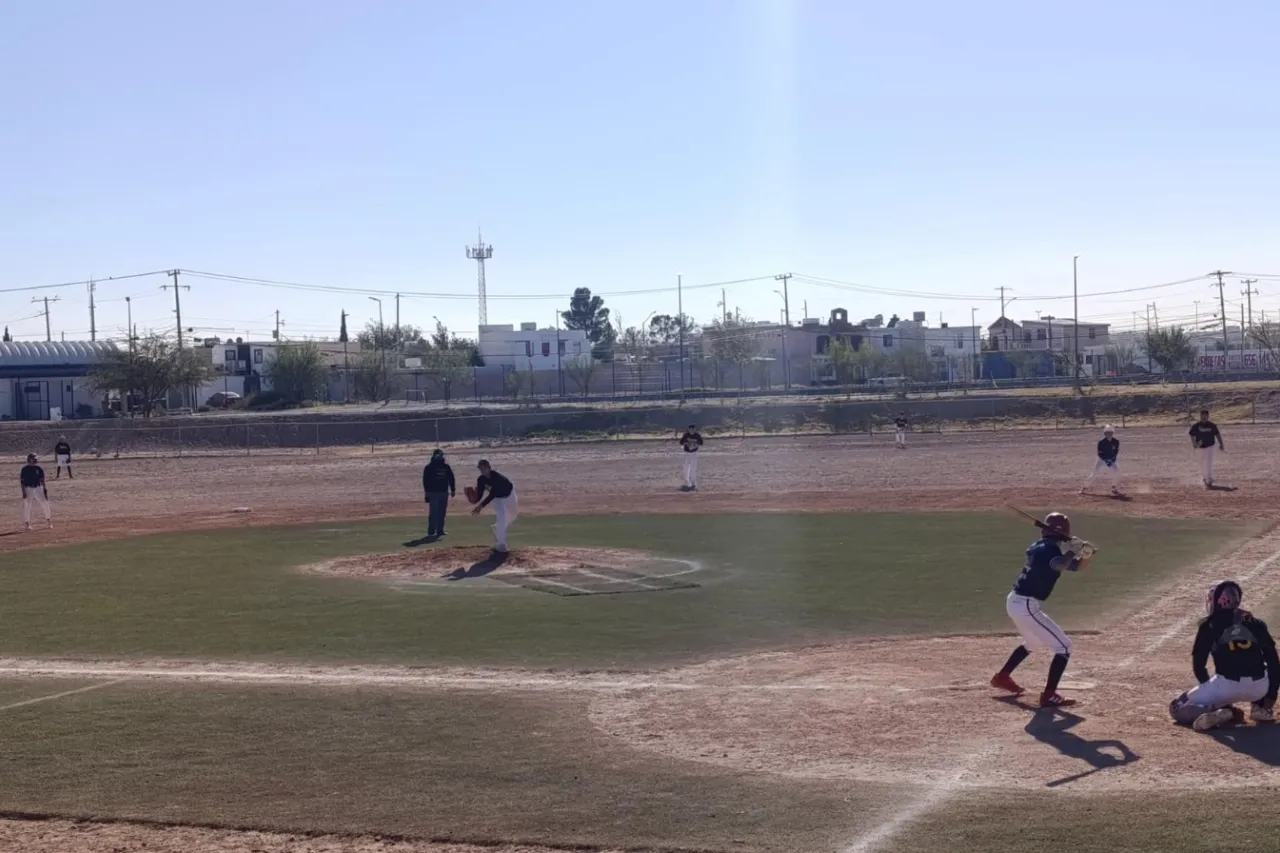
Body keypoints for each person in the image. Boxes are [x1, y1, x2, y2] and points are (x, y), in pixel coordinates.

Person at [990, 512, 1095, 708]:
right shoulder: (1047, 550)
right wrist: (1072, 550)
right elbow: (1059, 564)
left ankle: (1002, 677)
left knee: (1033, 642)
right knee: (1064, 647)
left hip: (1018, 602)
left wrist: (1085, 554)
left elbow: (1077, 567)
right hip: (1025, 604)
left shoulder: (1045, 547)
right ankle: (1049, 695)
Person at [1169, 580, 1278, 731]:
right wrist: (1270, 698)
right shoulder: (1256, 623)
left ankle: (1224, 711)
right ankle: (1259, 708)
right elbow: (1274, 663)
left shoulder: (1208, 625)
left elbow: (1199, 666)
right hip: (1259, 688)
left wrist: (1215, 695)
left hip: (1226, 686)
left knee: (1177, 708)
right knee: (1259, 666)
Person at [471, 459, 517, 553]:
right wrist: (474, 499)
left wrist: (481, 506)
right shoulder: (481, 480)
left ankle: (496, 528)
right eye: (480, 468)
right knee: (502, 517)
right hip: (497, 499)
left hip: (509, 494)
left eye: (484, 468)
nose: (482, 470)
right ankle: (501, 544)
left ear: (489, 468)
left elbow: (493, 493)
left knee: (512, 515)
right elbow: (480, 495)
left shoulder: (497, 477)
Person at [422, 449, 456, 538]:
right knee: (433, 512)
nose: (439, 457)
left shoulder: (446, 467)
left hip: (444, 492)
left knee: (442, 512)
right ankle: (431, 531)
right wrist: (427, 493)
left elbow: (451, 479)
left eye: (440, 455)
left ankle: (440, 530)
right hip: (433, 493)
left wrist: (453, 489)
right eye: (437, 455)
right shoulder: (428, 468)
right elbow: (425, 481)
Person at [1080, 425, 1121, 495]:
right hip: (1101, 460)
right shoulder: (1101, 442)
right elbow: (1100, 453)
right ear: (1105, 433)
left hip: (1111, 459)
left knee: (1117, 472)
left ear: (1113, 433)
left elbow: (1116, 452)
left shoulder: (1116, 442)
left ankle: (1114, 488)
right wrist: (1106, 460)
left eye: (1110, 432)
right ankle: (1084, 487)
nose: (1109, 434)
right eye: (1107, 433)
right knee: (1094, 474)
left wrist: (1112, 460)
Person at [1189, 409, 1224, 488]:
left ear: (1208, 416)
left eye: (1205, 416)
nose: (1203, 417)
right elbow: (1191, 434)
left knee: (1208, 462)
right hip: (1199, 447)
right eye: (1202, 416)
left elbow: (1217, 434)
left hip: (1210, 446)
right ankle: (1205, 477)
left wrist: (1221, 444)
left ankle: (1209, 479)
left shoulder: (1212, 425)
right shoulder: (1196, 426)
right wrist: (1194, 443)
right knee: (1201, 464)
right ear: (1200, 416)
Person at [19, 454, 51, 531]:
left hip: (38, 488)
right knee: (27, 506)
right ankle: (27, 524)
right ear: (30, 459)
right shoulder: (24, 469)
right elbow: (22, 482)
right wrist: (23, 491)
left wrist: (45, 489)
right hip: (28, 488)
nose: (35, 459)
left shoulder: (38, 468)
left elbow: (42, 480)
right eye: (33, 458)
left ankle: (49, 521)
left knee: (45, 503)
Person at [677, 424, 703, 491]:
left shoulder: (697, 435)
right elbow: (681, 442)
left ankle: (693, 483)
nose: (691, 430)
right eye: (690, 429)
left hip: (694, 453)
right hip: (686, 453)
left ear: (695, 429)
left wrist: (695, 444)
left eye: (693, 429)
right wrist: (686, 443)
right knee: (686, 468)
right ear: (688, 429)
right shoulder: (686, 435)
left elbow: (701, 443)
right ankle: (687, 482)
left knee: (693, 468)